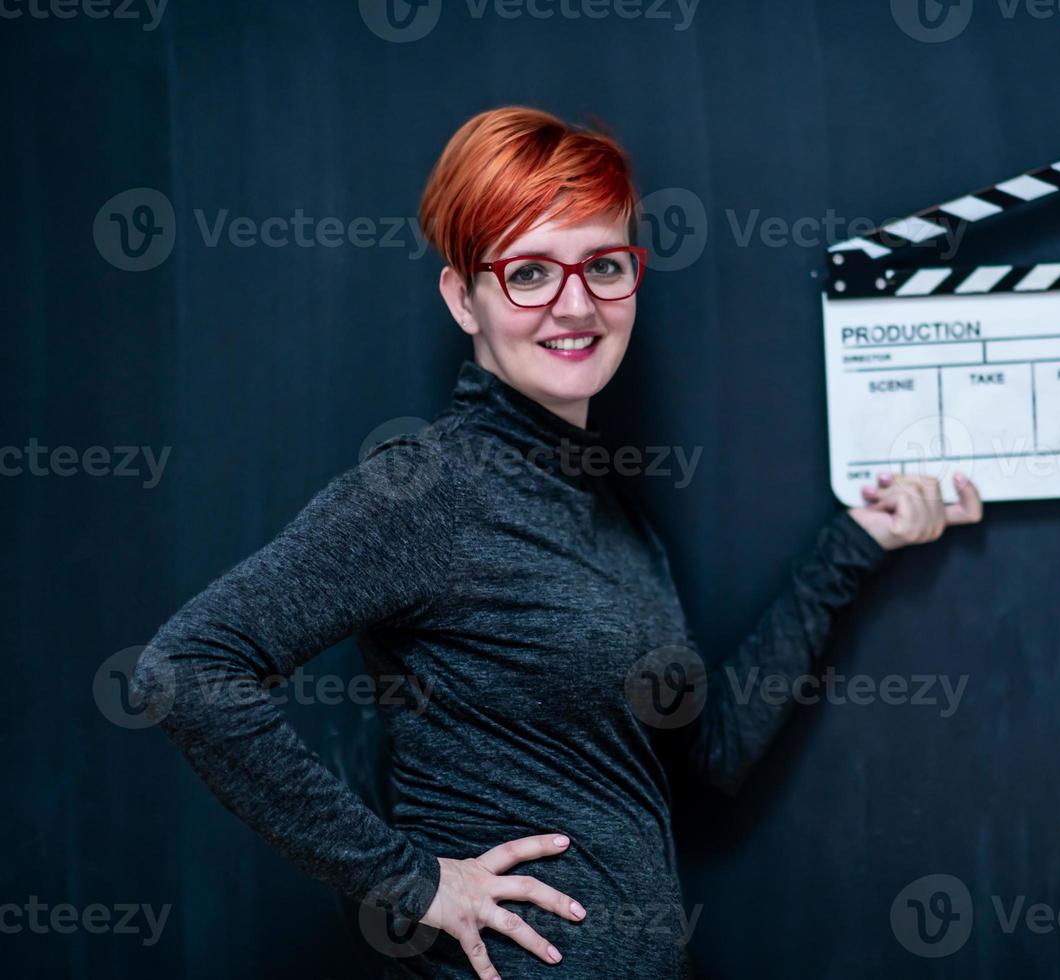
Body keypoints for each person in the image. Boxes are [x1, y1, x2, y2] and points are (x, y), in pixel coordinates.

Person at [131, 105, 983, 980]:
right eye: (530, 273)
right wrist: (411, 882)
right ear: (466, 298)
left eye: (603, 266)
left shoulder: (616, 517)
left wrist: (854, 544)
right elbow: (187, 672)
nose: (575, 305)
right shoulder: (427, 489)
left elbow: (714, 753)